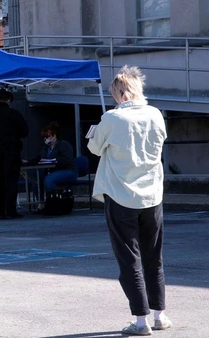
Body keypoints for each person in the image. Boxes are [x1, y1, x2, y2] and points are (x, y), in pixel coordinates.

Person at [88, 66, 170, 335]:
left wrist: (96, 128)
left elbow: (94, 148)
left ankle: (140, 321)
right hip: (151, 194)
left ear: (121, 93)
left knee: (129, 259)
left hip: (120, 194)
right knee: (153, 257)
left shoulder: (112, 118)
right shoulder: (156, 114)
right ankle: (160, 315)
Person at [0, 89, 29, 219]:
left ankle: (0, 212)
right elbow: (25, 132)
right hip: (11, 151)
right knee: (11, 181)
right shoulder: (14, 114)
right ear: (10, 100)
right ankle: (11, 210)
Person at [28, 122, 78, 208]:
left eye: (48, 137)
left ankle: (53, 203)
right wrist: (27, 162)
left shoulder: (64, 145)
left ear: (54, 136)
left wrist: (53, 160)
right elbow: (38, 158)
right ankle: (41, 203)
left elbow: (67, 160)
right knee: (36, 180)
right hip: (53, 171)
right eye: (44, 137)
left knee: (48, 180)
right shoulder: (46, 148)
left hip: (67, 170)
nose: (46, 139)